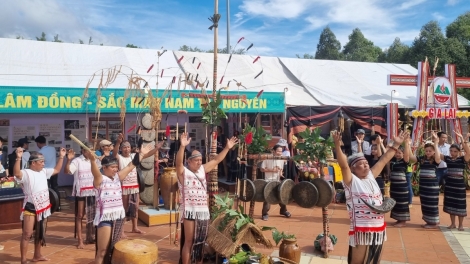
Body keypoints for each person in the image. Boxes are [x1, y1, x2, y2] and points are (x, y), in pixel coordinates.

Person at [332, 130, 405, 264]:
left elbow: (383, 160)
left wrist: (396, 144)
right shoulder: (351, 181)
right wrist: (337, 146)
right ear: (353, 168)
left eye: (366, 162)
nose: (366, 164)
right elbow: (343, 165)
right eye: (361, 163)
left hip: (379, 229)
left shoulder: (371, 176)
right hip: (361, 230)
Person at [177, 132, 237, 264]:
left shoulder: (202, 170)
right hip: (189, 211)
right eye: (196, 160)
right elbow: (178, 164)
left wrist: (227, 147)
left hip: (203, 212)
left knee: (200, 242)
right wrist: (182, 147)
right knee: (189, 241)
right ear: (189, 161)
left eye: (200, 160)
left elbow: (216, 160)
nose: (199, 162)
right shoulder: (183, 172)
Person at [90, 144, 151, 264]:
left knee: (113, 249)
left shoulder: (118, 177)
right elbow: (95, 172)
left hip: (118, 217)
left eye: (116, 167)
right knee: (102, 251)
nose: (115, 169)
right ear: (104, 167)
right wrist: (92, 161)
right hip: (105, 218)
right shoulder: (100, 180)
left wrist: (142, 154)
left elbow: (131, 165)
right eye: (112, 167)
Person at [13, 147, 66, 264]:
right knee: (27, 234)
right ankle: (23, 259)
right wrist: (18, 158)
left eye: (43, 162)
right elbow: (16, 173)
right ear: (33, 163)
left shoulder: (44, 171)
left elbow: (57, 170)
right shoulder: (26, 173)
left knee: (40, 232)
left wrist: (61, 156)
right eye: (41, 162)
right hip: (30, 207)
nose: (43, 164)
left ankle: (37, 255)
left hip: (43, 208)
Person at [112, 133, 162, 237]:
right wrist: (118, 142)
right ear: (121, 149)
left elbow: (147, 155)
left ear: (131, 148)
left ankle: (134, 227)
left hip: (134, 186)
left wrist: (156, 148)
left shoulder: (134, 156)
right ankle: (121, 230)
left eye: (128, 147)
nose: (126, 149)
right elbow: (114, 153)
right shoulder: (119, 158)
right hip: (124, 186)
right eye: (124, 147)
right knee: (124, 209)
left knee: (135, 207)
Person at [64, 142, 100, 249]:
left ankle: (90, 237)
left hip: (93, 191)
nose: (91, 152)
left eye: (92, 149)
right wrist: (69, 160)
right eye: (89, 150)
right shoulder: (77, 161)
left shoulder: (95, 160)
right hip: (82, 192)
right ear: (83, 151)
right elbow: (67, 171)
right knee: (80, 215)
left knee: (93, 215)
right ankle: (80, 240)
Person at [408, 132, 441, 229]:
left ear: (434, 151)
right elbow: (411, 158)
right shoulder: (422, 159)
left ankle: (434, 223)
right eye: (426, 151)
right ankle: (429, 221)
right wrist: (408, 144)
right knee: (425, 203)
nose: (428, 153)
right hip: (423, 185)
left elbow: (438, 157)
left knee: (432, 203)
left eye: (430, 151)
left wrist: (436, 143)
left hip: (432, 186)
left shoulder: (435, 160)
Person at [441, 131, 470, 231]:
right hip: (449, 185)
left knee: (460, 205)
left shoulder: (462, 159)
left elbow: (468, 152)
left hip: (459, 186)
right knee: (450, 204)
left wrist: (462, 139)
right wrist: (436, 142)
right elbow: (436, 154)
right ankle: (453, 223)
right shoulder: (448, 159)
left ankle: (461, 225)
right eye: (451, 151)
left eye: (455, 151)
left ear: (458, 152)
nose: (452, 153)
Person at [260, 145, 291, 221]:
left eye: (281, 151)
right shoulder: (267, 157)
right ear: (273, 151)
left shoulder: (281, 159)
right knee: (267, 198)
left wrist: (280, 173)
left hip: (277, 181)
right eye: (278, 151)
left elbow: (280, 169)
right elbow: (262, 169)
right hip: (268, 181)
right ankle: (265, 214)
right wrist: (272, 170)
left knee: (281, 196)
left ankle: (283, 211)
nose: (280, 153)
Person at [389, 136, 411, 227]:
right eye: (396, 153)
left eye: (400, 153)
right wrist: (393, 143)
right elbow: (387, 152)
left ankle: (403, 221)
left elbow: (407, 155)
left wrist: (406, 143)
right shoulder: (392, 160)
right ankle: (398, 219)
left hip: (402, 186)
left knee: (402, 202)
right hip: (394, 185)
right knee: (395, 201)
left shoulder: (404, 161)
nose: (398, 154)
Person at [35, 136, 60, 210]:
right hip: (54, 171)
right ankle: (58, 206)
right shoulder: (52, 149)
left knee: (46, 189)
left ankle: (48, 206)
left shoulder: (40, 152)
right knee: (55, 188)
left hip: (45, 172)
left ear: (38, 143)